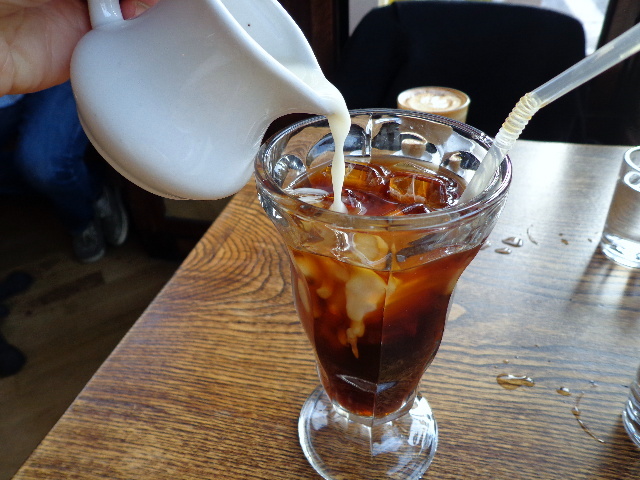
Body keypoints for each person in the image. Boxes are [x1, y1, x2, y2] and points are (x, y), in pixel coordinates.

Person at [0, 0, 159, 261]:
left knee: (43, 163)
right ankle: (86, 188)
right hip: (19, 51)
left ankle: (81, 213)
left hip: (71, 29)